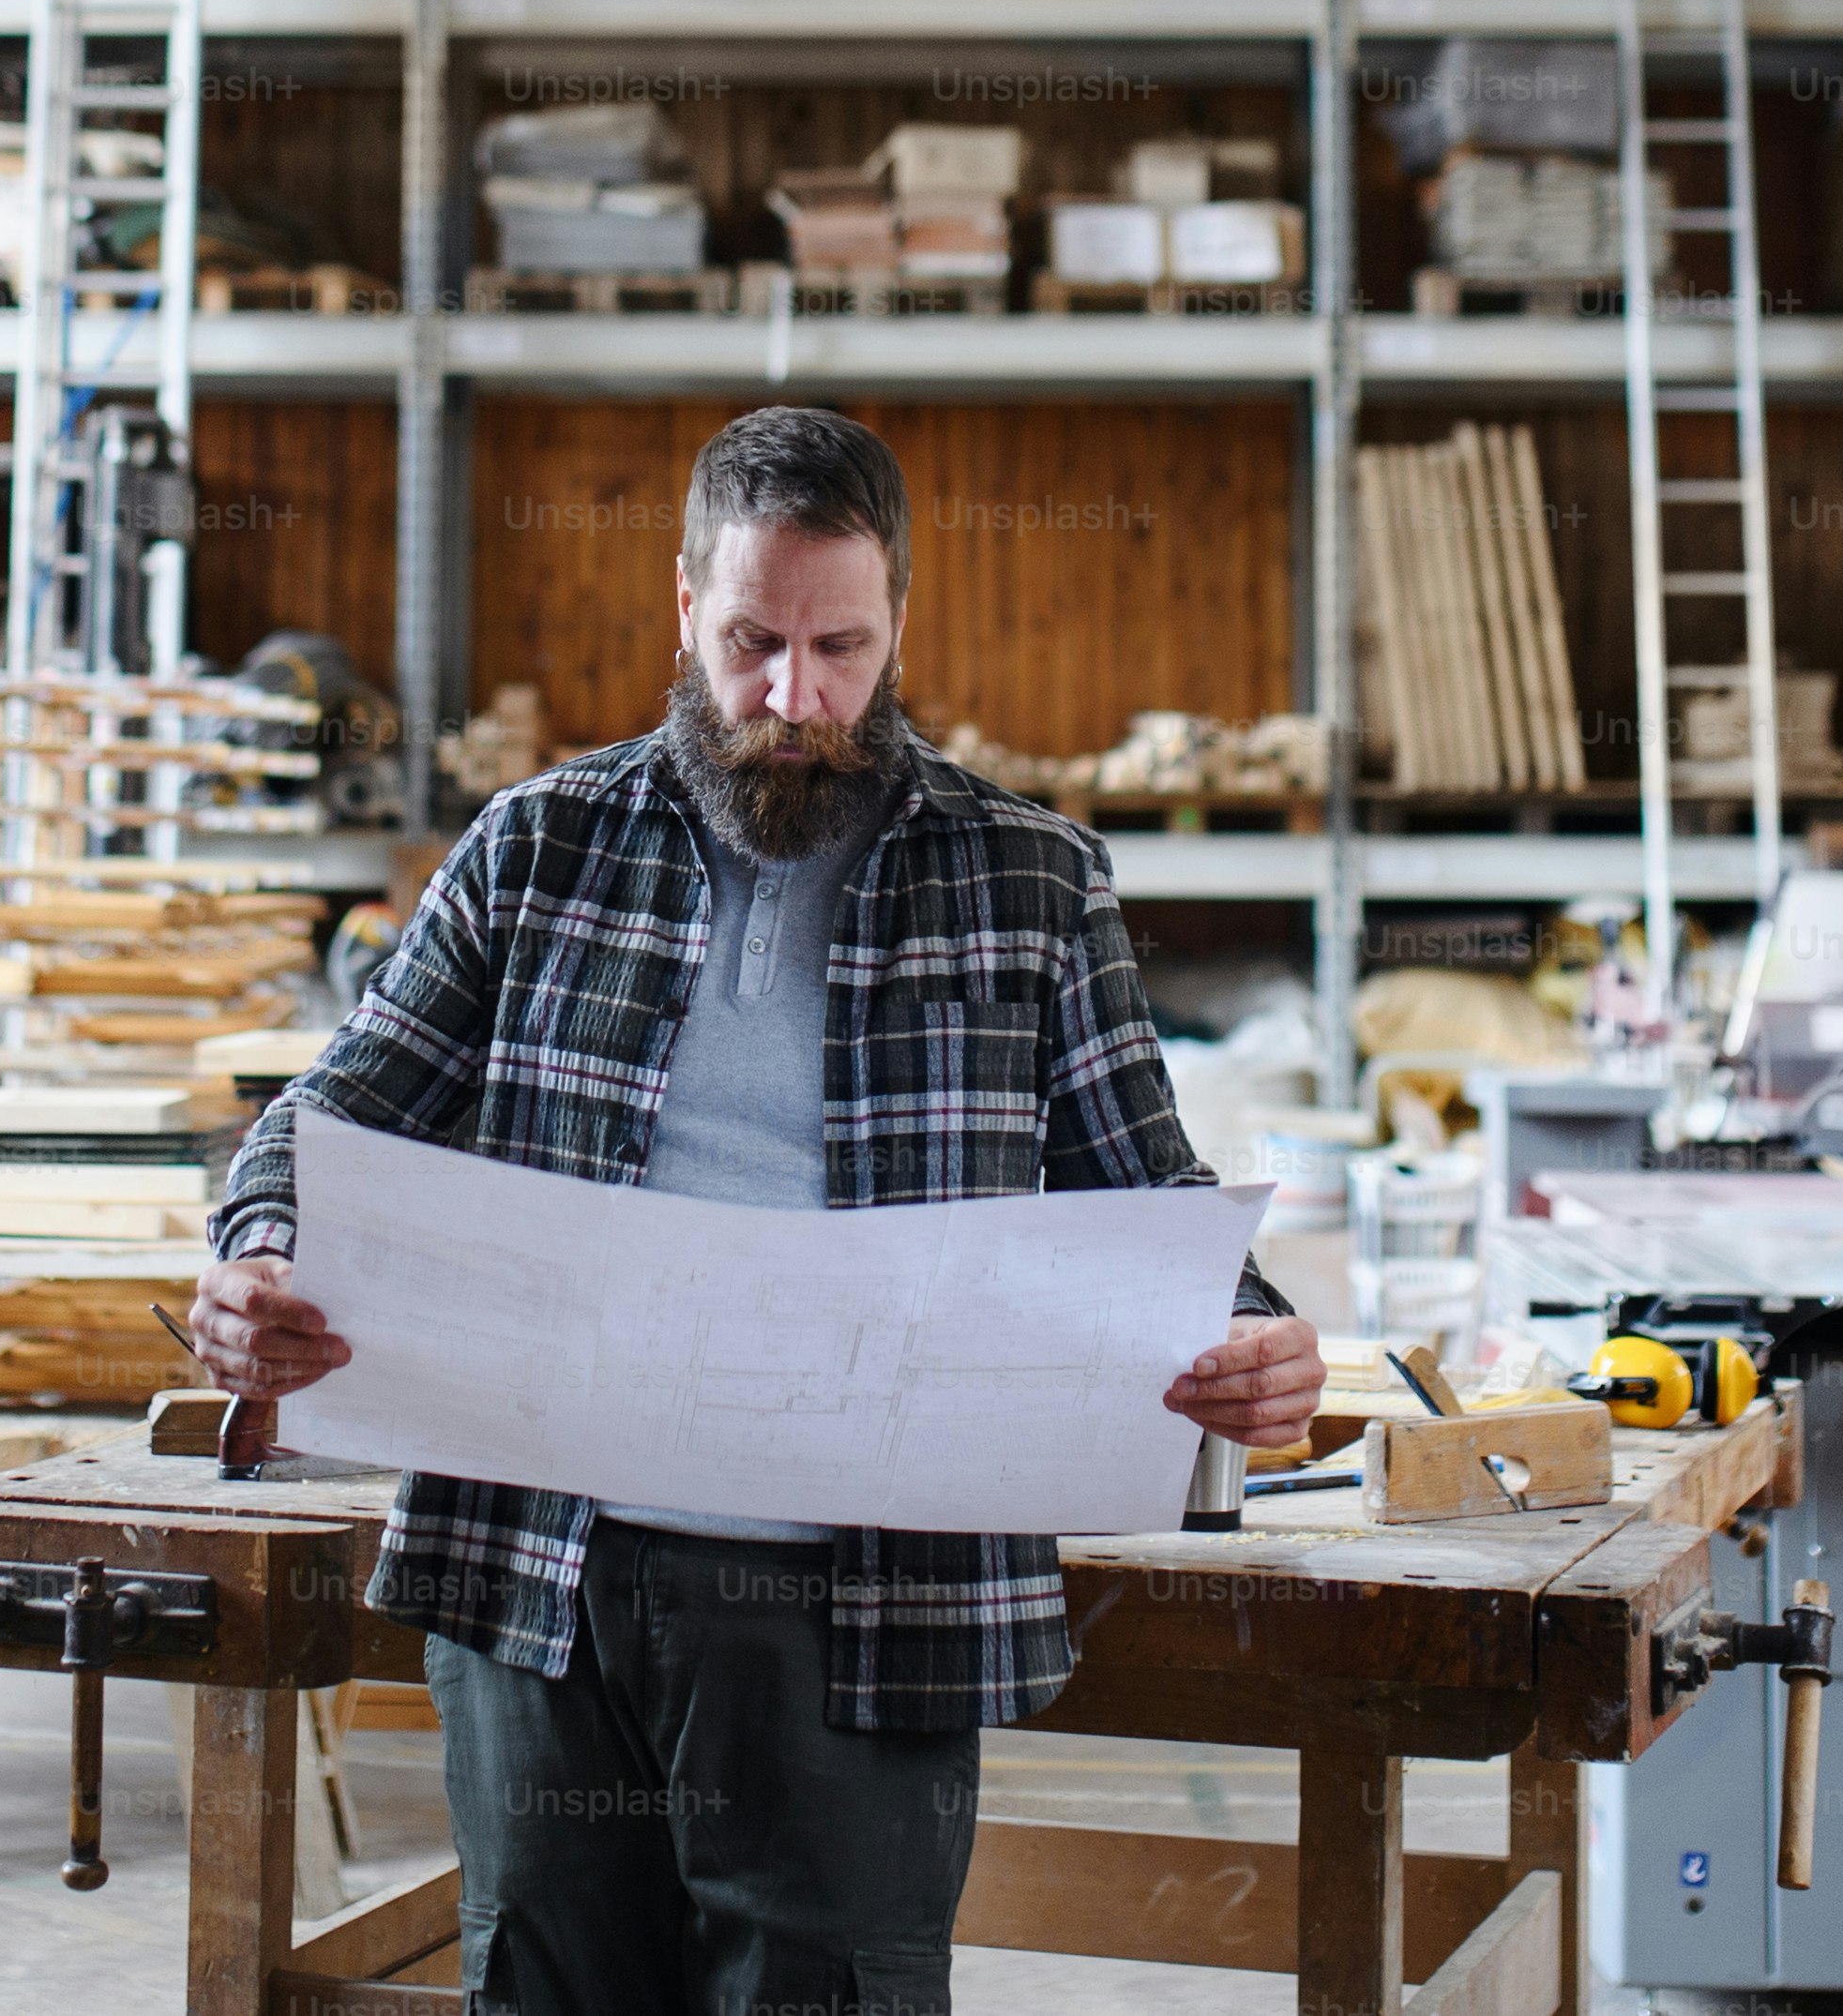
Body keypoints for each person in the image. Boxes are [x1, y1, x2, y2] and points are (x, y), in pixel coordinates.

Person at [186, 404, 1320, 2016]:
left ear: (900, 625)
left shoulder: (1032, 883)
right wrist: (257, 1251)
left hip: (867, 1611)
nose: (795, 700)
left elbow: (1154, 1194)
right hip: (540, 1576)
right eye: (752, 642)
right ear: (682, 609)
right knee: (553, 1989)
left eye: (840, 648)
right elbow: (327, 1113)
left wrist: (1257, 1335)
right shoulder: (539, 847)